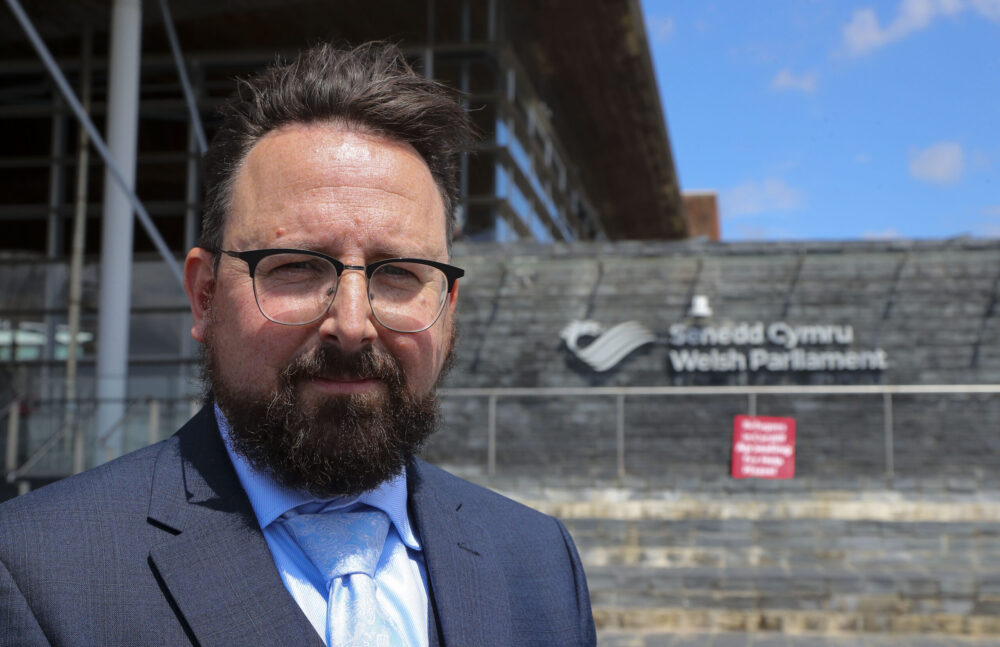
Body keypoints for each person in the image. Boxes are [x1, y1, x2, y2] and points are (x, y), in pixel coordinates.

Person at [0, 42, 596, 646]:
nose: (353, 324)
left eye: (398, 273)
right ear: (205, 296)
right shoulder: (37, 571)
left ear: (447, 308)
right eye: (296, 267)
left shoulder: (539, 564)